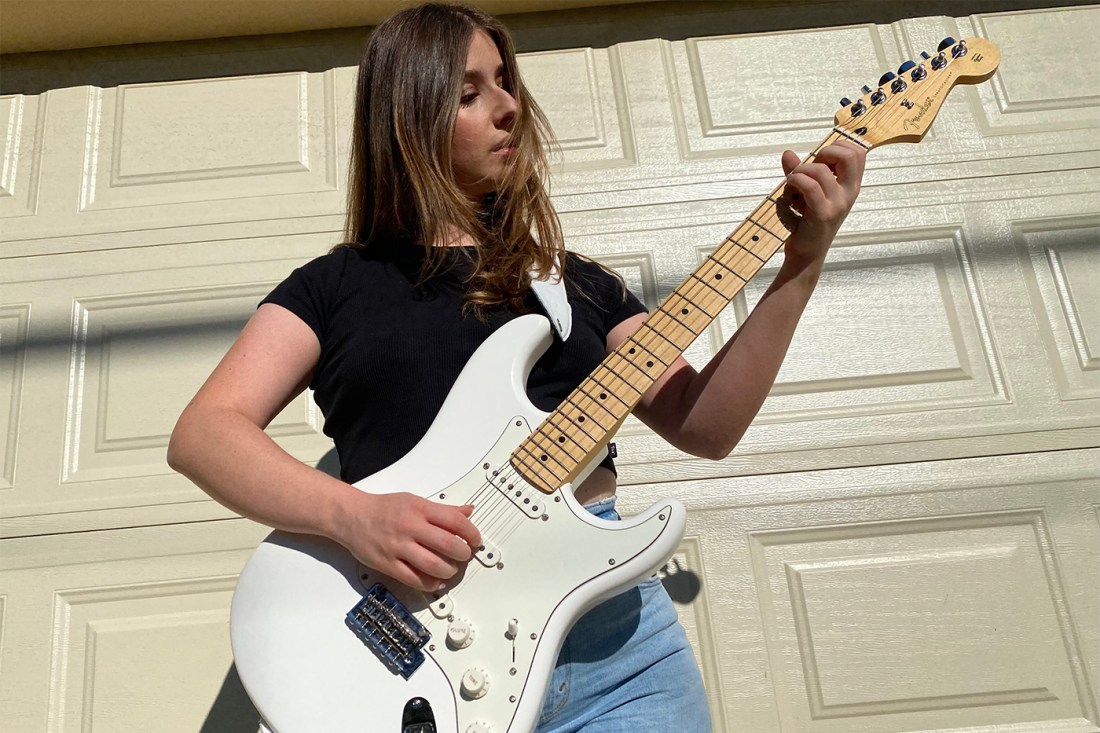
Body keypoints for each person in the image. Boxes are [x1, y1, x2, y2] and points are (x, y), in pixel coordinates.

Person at [167, 2, 866, 731]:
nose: (509, 107)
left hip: (621, 658)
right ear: (406, 117)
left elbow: (707, 423)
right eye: (470, 92)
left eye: (505, 81)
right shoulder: (334, 286)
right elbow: (205, 432)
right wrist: (357, 517)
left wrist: (803, 259)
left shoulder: (580, 284)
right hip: (411, 661)